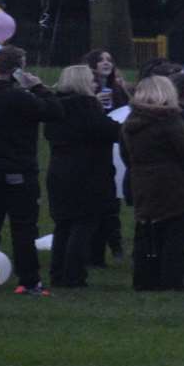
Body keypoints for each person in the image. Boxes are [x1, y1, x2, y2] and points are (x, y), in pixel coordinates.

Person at [0, 45, 63, 295]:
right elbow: (55, 111)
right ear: (18, 69)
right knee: (23, 226)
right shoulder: (17, 97)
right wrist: (38, 87)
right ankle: (28, 280)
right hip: (16, 166)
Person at [120, 75, 184, 291]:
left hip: (143, 183)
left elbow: (126, 155)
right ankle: (171, 282)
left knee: (147, 233)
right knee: (175, 237)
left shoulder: (131, 122)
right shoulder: (170, 121)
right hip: (175, 185)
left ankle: (144, 279)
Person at [43, 65, 117, 289]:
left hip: (59, 170)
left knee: (63, 224)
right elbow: (110, 131)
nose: (96, 84)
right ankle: (74, 275)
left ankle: (57, 274)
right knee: (84, 224)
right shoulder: (86, 107)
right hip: (87, 172)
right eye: (92, 81)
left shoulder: (55, 107)